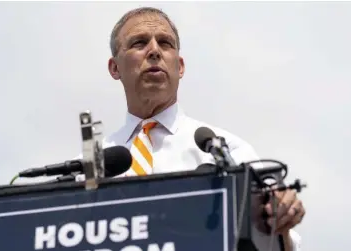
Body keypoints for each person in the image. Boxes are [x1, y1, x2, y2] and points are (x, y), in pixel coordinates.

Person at [100, 6, 305, 251]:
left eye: (165, 43)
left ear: (180, 66)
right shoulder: (89, 167)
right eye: (139, 43)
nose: (154, 50)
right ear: (114, 68)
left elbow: (278, 244)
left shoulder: (229, 151)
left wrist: (279, 222)